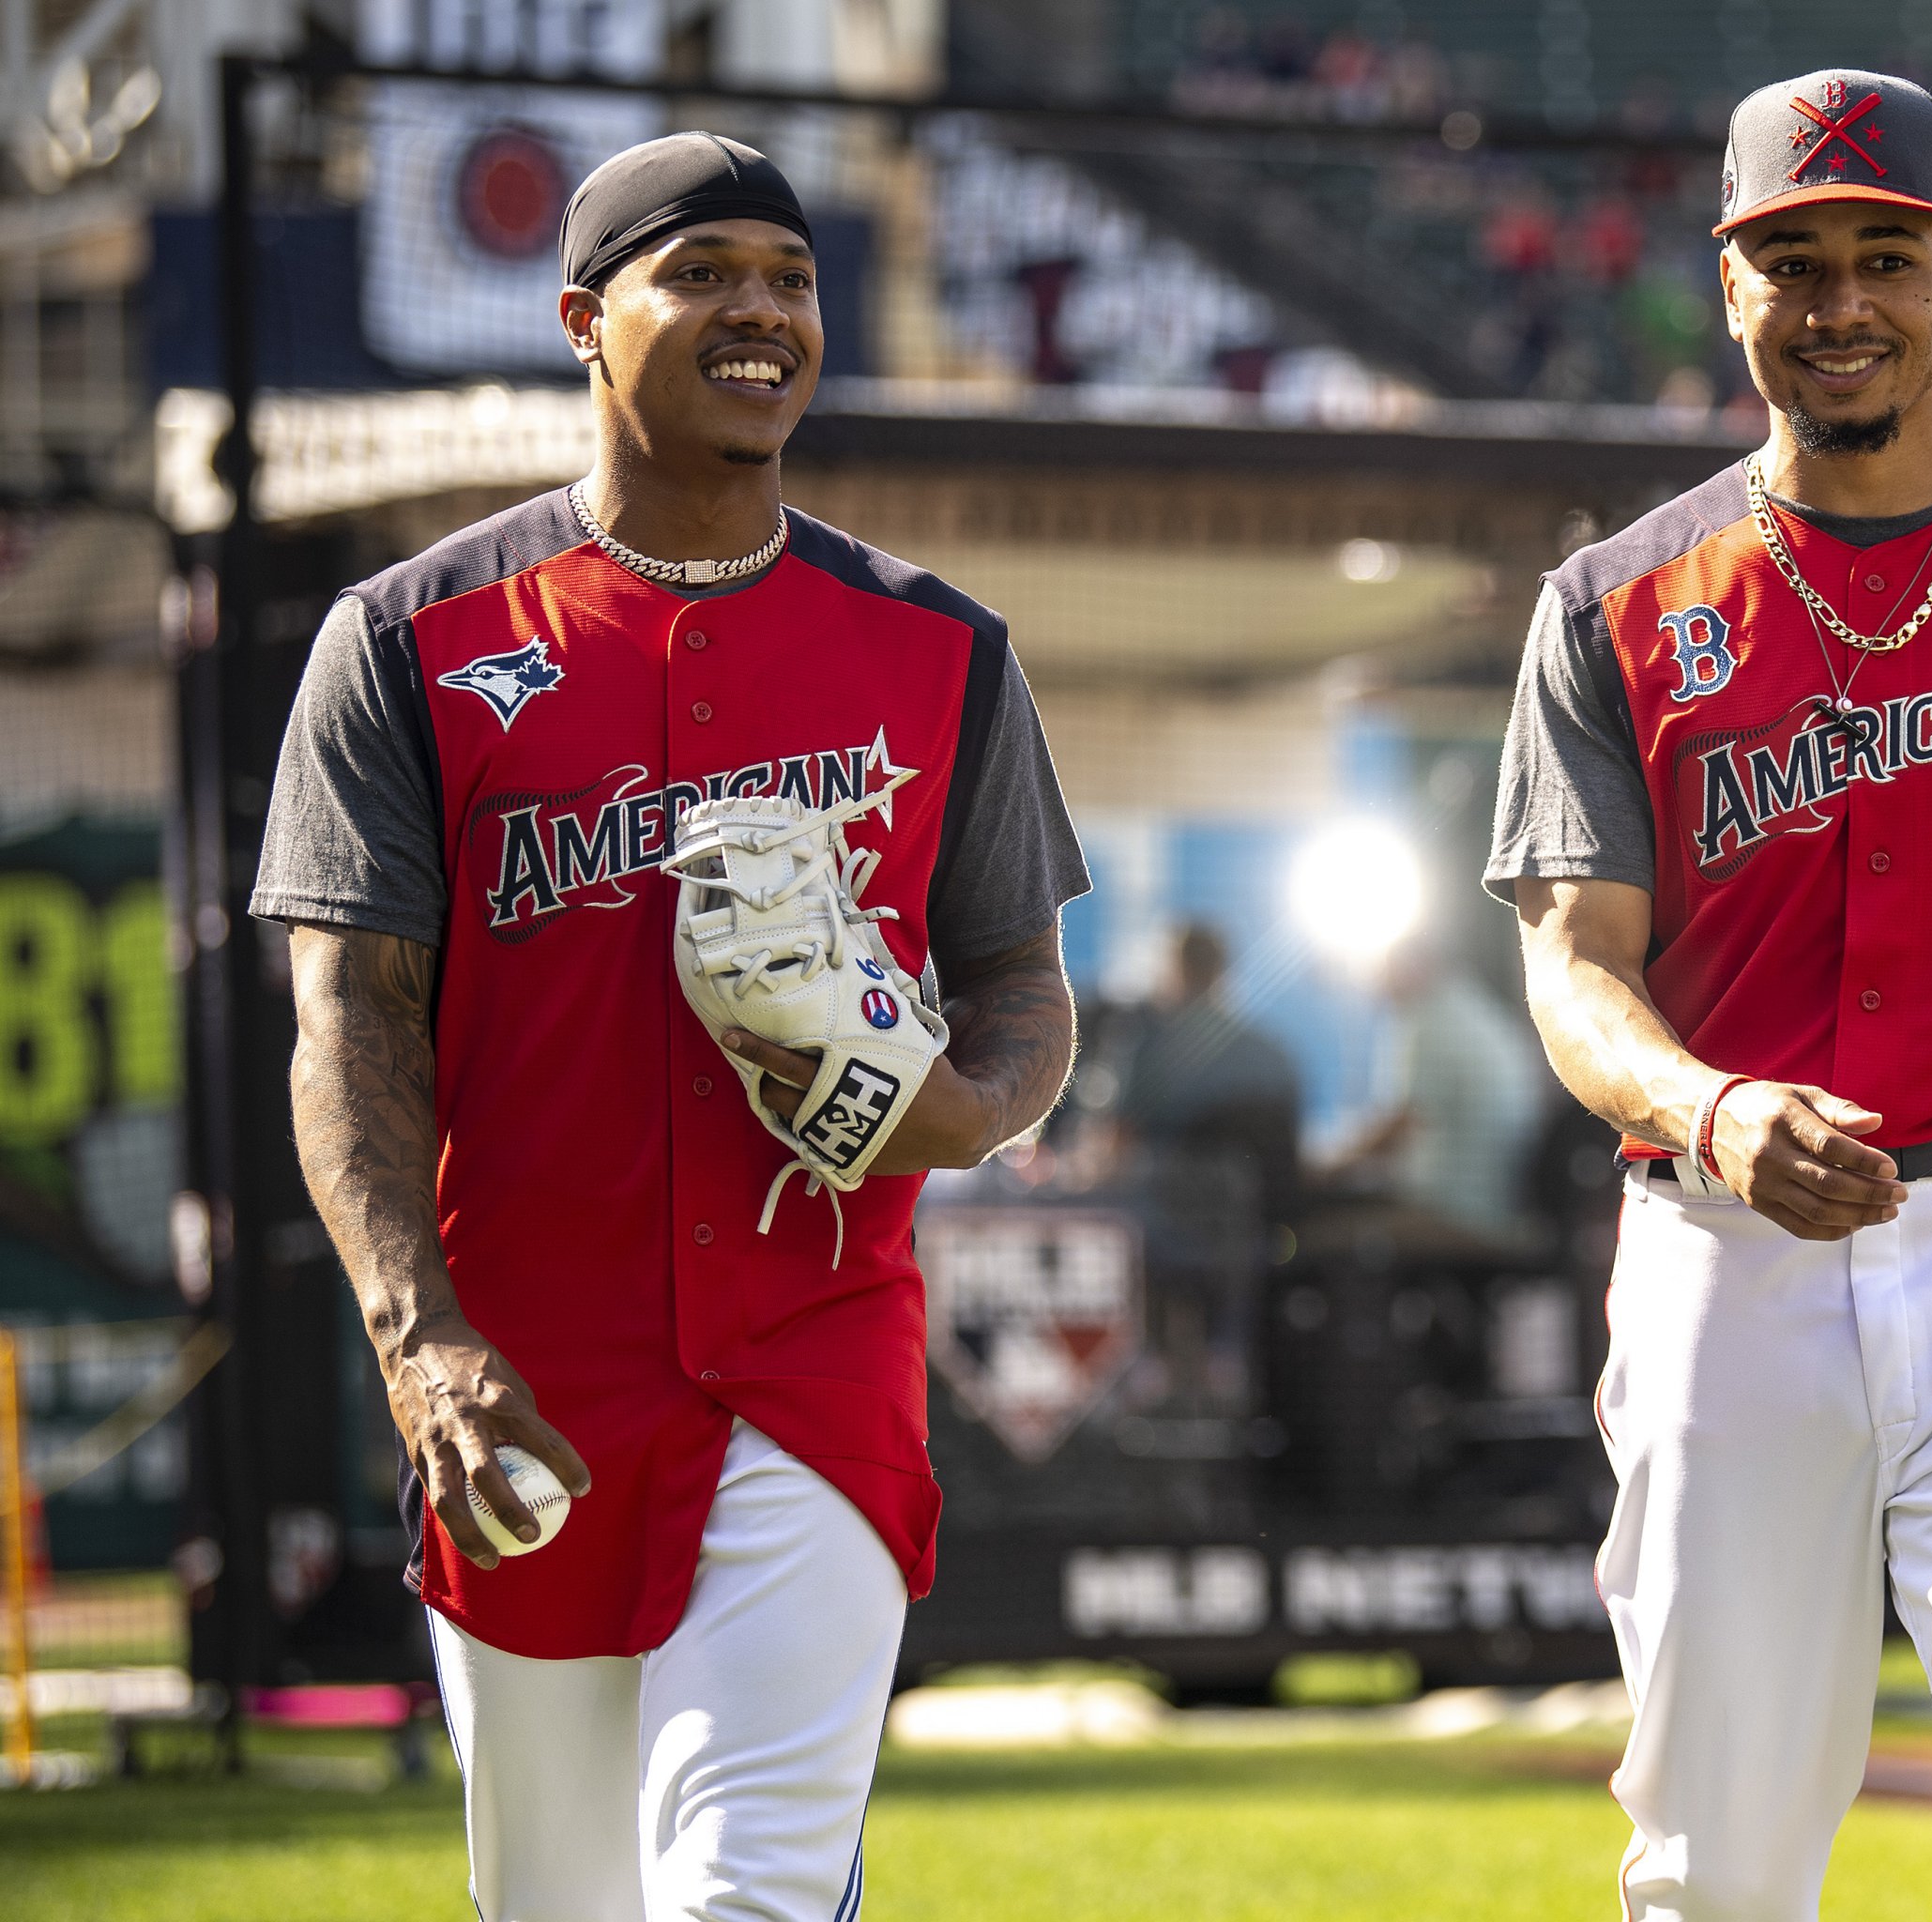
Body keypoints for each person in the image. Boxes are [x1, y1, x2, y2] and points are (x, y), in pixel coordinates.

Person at [251, 133, 1088, 1919]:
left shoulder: (941, 649)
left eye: (787, 279)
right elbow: (353, 1023)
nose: (760, 311)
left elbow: (1023, 988)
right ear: (582, 317)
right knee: (562, 1899)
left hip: (814, 1351)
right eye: (701, 270)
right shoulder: (406, 641)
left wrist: (961, 1107)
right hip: (528, 1383)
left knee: (746, 1896)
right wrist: (421, 1345)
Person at [1486, 69, 1932, 1920]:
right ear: (1726, 289)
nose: (1837, 304)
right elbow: (1571, 969)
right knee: (1718, 1853)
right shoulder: (1612, 604)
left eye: (1880, 255)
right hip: (1720, 1260)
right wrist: (1709, 1102)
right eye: (1789, 260)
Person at [1329, 936, 1546, 1246]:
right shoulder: (1476, 1008)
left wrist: (1329, 1166)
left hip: (1459, 1213)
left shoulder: (1430, 1020)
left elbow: (1400, 1125)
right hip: (1503, 1207)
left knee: (1331, 1237)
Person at [1107, 919, 1301, 1212]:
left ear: (1173, 971)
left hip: (1168, 1228)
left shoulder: (1152, 1054)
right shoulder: (1275, 1055)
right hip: (1261, 1229)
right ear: (1222, 971)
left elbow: (1117, 1150)